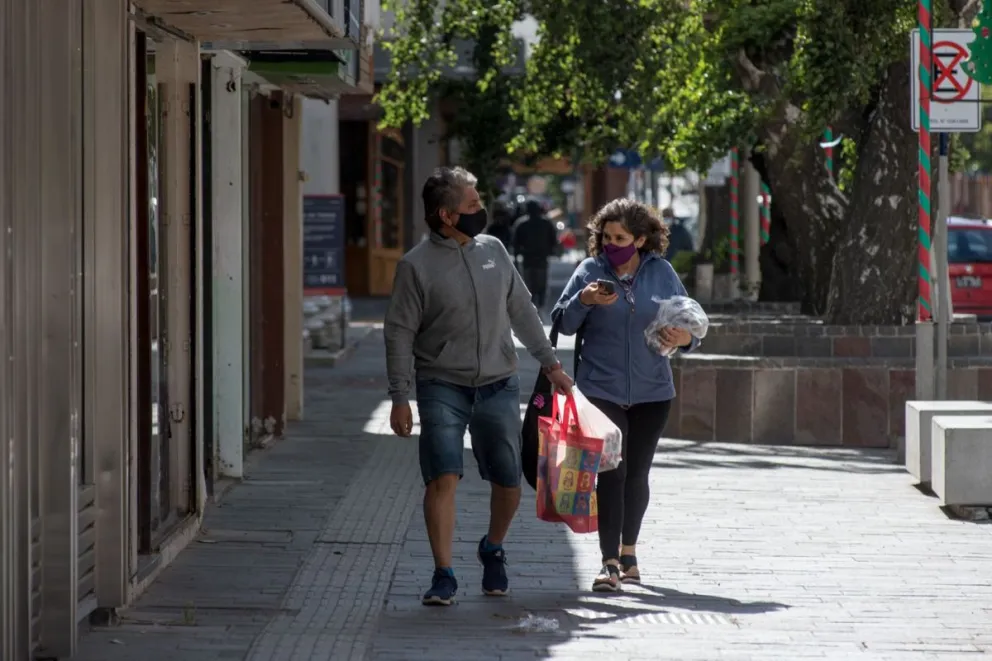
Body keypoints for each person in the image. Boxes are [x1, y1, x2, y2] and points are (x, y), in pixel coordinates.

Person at [384, 166, 574, 607]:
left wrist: (551, 366)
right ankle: (444, 573)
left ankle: (492, 547)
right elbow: (398, 332)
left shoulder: (495, 251)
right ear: (447, 216)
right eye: (471, 205)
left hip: (498, 384)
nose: (480, 210)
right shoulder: (415, 266)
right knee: (442, 476)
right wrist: (399, 396)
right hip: (440, 385)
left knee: (508, 480)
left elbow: (523, 311)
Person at [552, 198, 699, 593]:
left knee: (637, 474)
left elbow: (689, 323)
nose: (610, 243)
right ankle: (609, 564)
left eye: (620, 237)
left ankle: (629, 552)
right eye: (605, 236)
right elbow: (562, 322)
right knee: (611, 475)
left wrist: (686, 338)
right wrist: (584, 300)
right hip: (602, 390)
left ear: (639, 239)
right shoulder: (589, 271)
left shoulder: (662, 273)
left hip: (653, 391)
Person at [511, 199, 559, 309]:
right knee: (540, 284)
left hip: (528, 260)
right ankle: (539, 304)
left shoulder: (521, 224)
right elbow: (553, 241)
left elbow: (515, 244)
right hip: (540, 259)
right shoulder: (546, 223)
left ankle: (533, 305)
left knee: (529, 286)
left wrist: (516, 261)